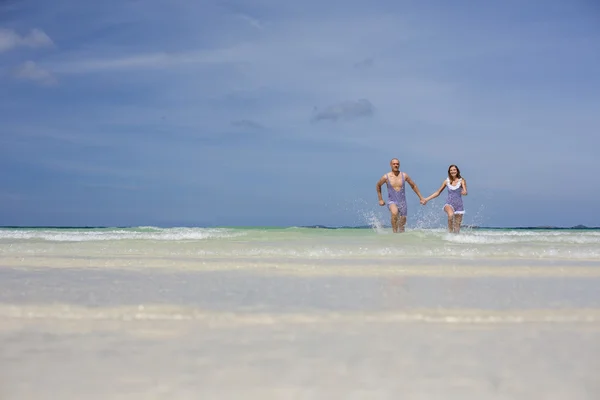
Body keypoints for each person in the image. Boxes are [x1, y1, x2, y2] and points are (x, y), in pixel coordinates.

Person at [376, 158, 426, 233]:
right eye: (394, 164)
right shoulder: (386, 177)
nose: (396, 165)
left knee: (402, 227)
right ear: (391, 165)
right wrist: (380, 199)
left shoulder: (404, 175)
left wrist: (421, 197)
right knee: (394, 212)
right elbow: (378, 185)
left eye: (397, 164)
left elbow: (413, 186)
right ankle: (394, 233)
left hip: (403, 203)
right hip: (392, 201)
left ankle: (400, 241)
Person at [422, 164, 468, 233]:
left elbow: (465, 191)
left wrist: (464, 192)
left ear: (457, 171)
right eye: (451, 170)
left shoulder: (462, 181)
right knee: (450, 215)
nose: (453, 171)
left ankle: (454, 239)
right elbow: (438, 192)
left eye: (454, 170)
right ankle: (449, 233)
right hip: (449, 204)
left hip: (459, 206)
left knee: (457, 228)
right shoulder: (447, 181)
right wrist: (426, 199)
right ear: (449, 172)